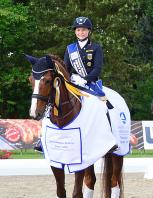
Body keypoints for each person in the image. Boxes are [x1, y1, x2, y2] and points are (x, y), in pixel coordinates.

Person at [34, 16, 105, 152]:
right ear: (75, 32)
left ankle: (105, 137)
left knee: (101, 105)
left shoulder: (96, 48)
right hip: (73, 81)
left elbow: (97, 68)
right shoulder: (70, 48)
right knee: (52, 103)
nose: (81, 32)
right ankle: (43, 138)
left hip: (90, 83)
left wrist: (86, 79)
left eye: (83, 30)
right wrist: (71, 78)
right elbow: (66, 67)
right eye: (78, 30)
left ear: (88, 31)